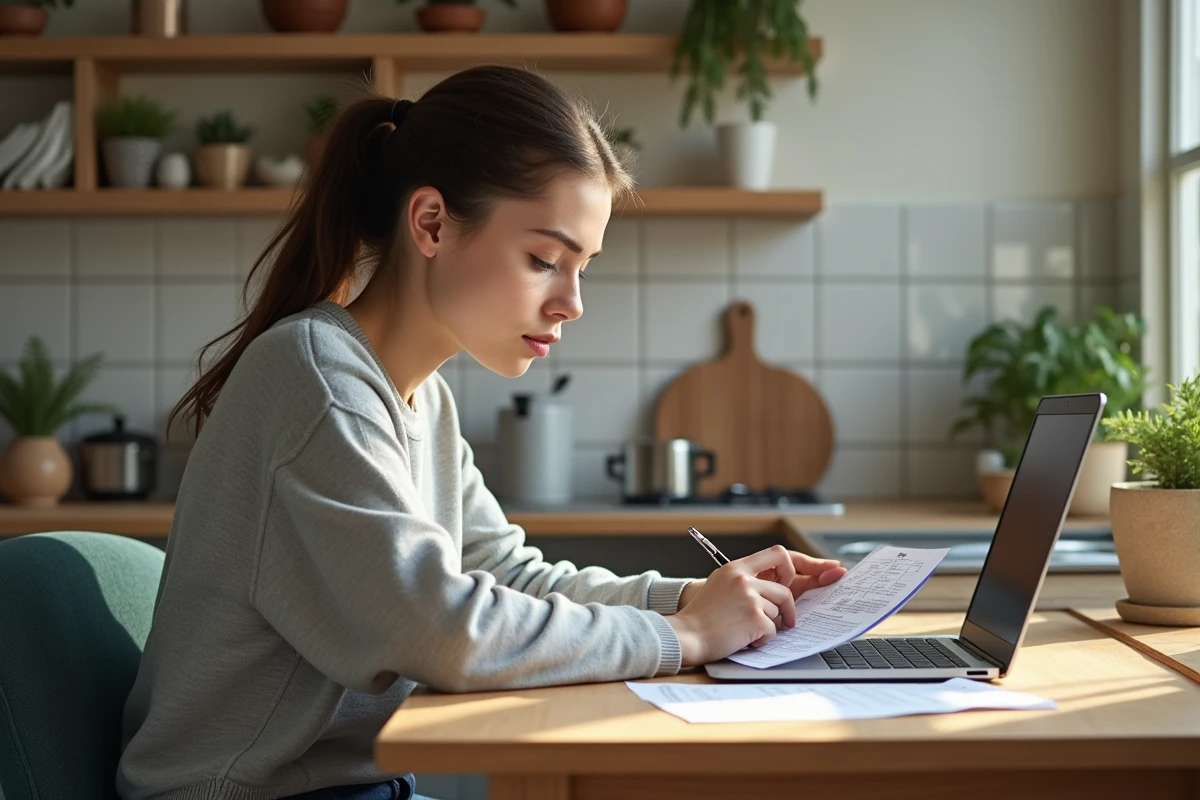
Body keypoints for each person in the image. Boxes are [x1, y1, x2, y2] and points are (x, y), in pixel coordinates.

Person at [115, 65, 847, 800]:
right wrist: (687, 638)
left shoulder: (419, 397)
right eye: (544, 260)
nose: (572, 303)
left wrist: (694, 601)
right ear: (431, 223)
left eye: (582, 268)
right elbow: (441, 629)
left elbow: (508, 577)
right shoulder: (317, 380)